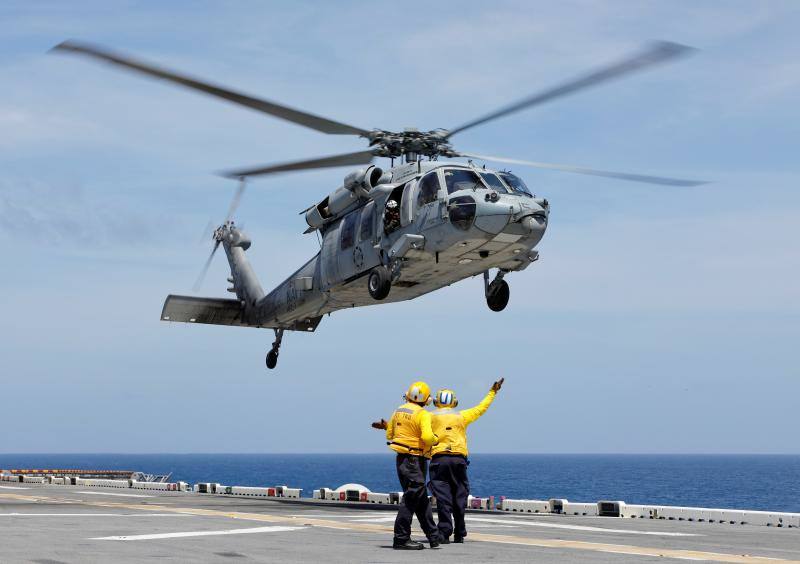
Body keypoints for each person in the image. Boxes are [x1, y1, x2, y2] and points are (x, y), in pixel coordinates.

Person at [428, 378, 504, 543]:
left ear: (436, 402)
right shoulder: (461, 416)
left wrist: (387, 426)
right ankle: (460, 532)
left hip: (439, 459)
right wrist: (493, 391)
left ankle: (444, 532)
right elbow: (481, 408)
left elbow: (412, 424)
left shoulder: (429, 416)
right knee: (460, 496)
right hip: (459, 460)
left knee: (443, 497)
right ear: (454, 402)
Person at [373, 381, 441, 550]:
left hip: (402, 459)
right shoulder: (423, 414)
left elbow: (390, 434)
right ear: (426, 399)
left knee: (420, 498)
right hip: (415, 460)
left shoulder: (398, 410)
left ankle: (433, 536)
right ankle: (401, 538)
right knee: (411, 499)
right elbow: (427, 437)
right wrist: (436, 439)